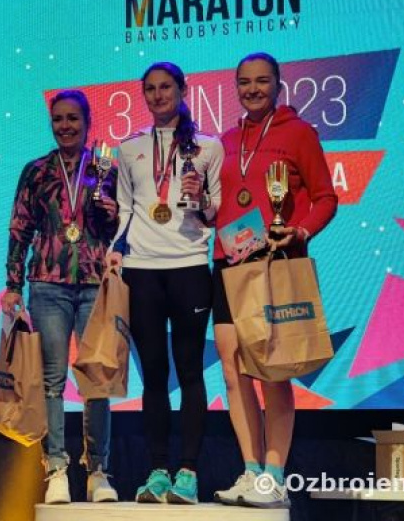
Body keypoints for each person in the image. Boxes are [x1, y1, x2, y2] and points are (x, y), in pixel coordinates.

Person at [211, 52, 337, 508]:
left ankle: (274, 476)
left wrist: (300, 231)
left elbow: (326, 197)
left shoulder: (299, 133)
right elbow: (218, 204)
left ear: (279, 84)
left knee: (273, 370)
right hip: (229, 262)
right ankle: (250, 471)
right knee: (232, 370)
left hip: (277, 261)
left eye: (262, 81)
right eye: (245, 82)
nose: (253, 89)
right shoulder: (225, 141)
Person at [108, 61, 224, 505]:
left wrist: (201, 199)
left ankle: (188, 472)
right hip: (142, 270)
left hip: (190, 265)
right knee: (153, 374)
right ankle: (157, 470)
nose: (158, 95)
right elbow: (125, 208)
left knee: (190, 369)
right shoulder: (128, 148)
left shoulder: (208, 147)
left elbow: (216, 211)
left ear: (183, 90)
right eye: (151, 89)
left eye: (166, 87)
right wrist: (116, 249)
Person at [0, 89, 120, 504]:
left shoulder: (105, 169)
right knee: (51, 381)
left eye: (73, 118)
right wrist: (13, 284)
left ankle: (98, 470)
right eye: (58, 119)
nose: (65, 126)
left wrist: (110, 213)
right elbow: (20, 228)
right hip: (47, 284)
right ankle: (56, 469)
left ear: (87, 122)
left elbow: (117, 229)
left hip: (94, 283)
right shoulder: (36, 171)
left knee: (97, 379)